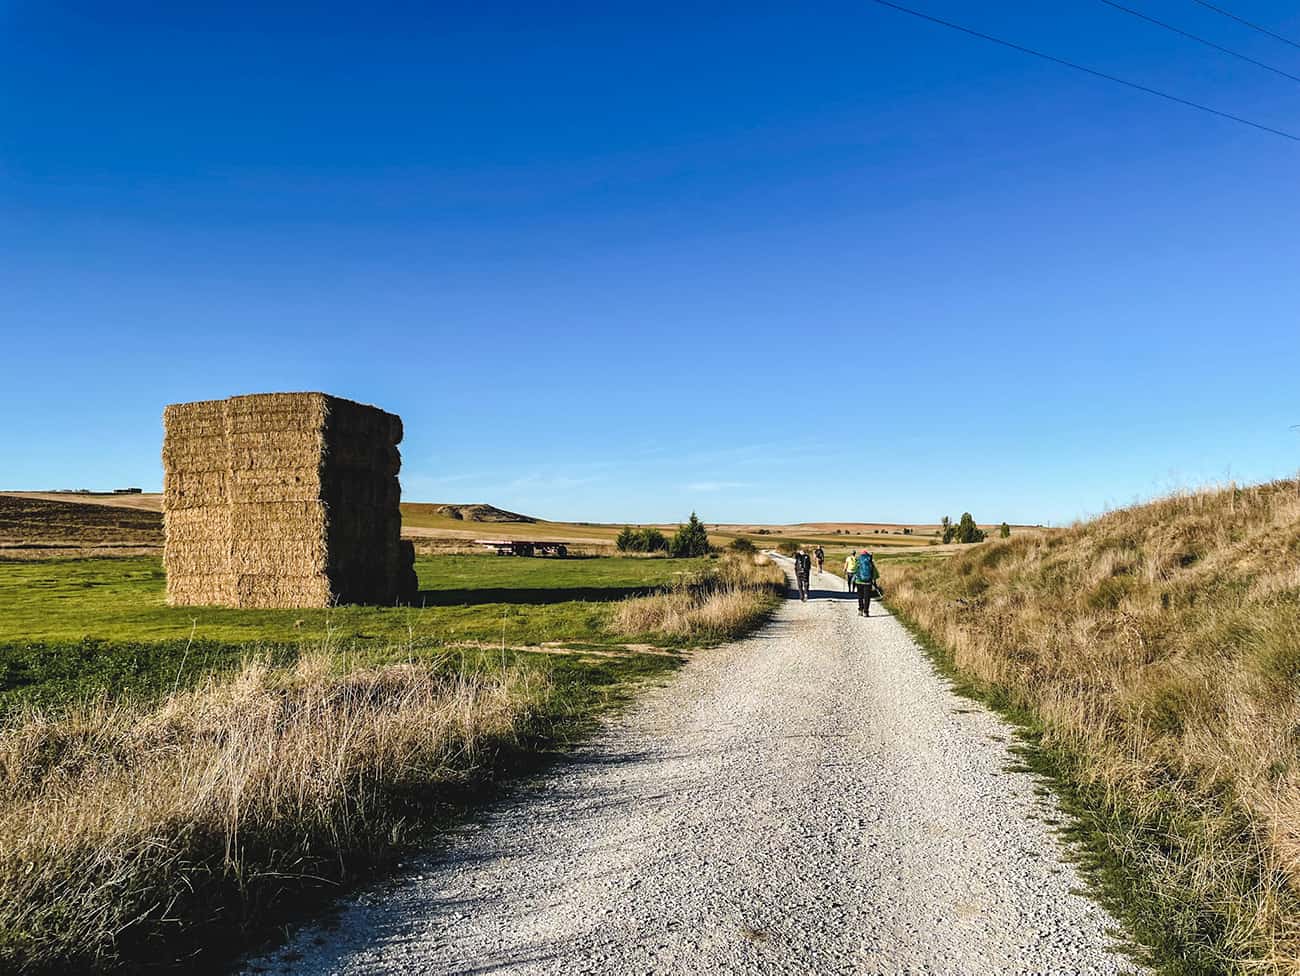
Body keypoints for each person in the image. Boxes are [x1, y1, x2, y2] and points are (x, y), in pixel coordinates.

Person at [853, 550, 879, 617]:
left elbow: (854, 570)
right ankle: (866, 612)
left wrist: (855, 577)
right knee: (867, 597)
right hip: (868, 582)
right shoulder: (870, 561)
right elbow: (875, 573)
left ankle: (860, 610)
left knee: (860, 596)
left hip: (859, 581)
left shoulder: (858, 561)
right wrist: (874, 580)